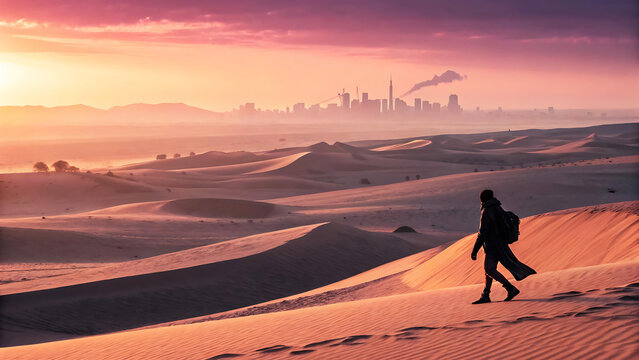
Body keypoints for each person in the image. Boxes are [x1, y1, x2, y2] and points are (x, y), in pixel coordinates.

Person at [471, 189, 536, 304]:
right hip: (499, 244)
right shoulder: (497, 207)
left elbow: (482, 233)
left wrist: (475, 250)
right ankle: (486, 294)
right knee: (489, 270)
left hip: (493, 246)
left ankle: (510, 289)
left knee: (489, 269)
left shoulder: (487, 211)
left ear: (483, 199)